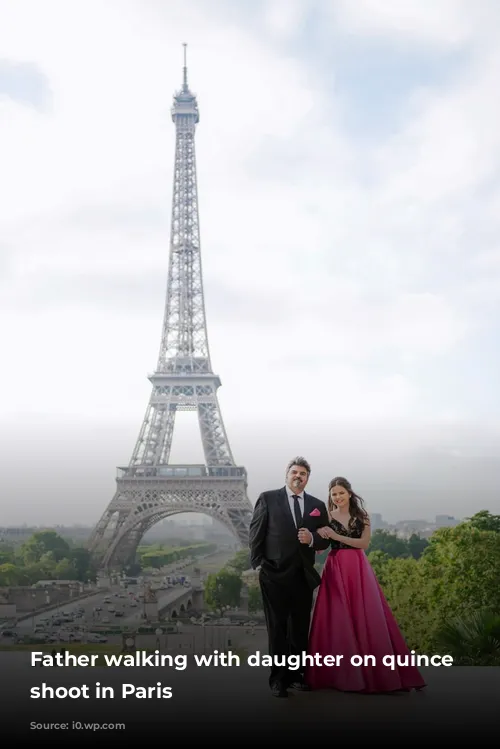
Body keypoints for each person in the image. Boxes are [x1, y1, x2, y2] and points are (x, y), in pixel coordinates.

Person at [305, 476, 426, 693]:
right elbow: (319, 545)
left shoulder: (363, 517)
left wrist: (334, 535)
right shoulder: (326, 517)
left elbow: (364, 544)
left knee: (368, 616)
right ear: (330, 497)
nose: (338, 497)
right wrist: (317, 537)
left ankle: (380, 675)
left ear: (349, 493)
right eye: (334, 494)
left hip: (358, 567)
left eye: (341, 492)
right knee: (337, 619)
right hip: (336, 568)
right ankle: (342, 675)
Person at [249, 457, 330, 698]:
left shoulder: (317, 505)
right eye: (294, 472)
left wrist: (313, 539)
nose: (298, 476)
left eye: (303, 473)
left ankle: (295, 676)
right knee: (277, 629)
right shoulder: (268, 498)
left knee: (299, 629)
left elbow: (325, 537)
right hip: (274, 574)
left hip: (303, 575)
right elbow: (256, 532)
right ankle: (278, 679)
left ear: (307, 478)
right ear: (287, 474)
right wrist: (259, 564)